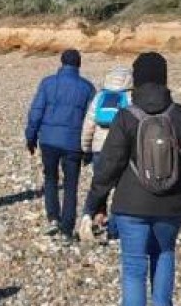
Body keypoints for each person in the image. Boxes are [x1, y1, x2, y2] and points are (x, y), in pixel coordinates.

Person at [85, 52, 181, 306]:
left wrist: (96, 202)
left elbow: (109, 165)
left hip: (131, 204)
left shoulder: (127, 115)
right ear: (164, 78)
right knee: (164, 254)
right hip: (171, 204)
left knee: (133, 267)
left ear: (136, 80)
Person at [25, 49, 97, 242]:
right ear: (79, 65)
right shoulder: (87, 87)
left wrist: (30, 137)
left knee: (50, 178)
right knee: (71, 185)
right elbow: (91, 120)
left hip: (48, 140)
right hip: (74, 143)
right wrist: (88, 148)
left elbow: (36, 111)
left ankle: (53, 218)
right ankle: (66, 228)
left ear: (61, 62)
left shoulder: (47, 83)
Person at [79, 65, 132, 241]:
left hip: (99, 149)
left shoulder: (100, 97)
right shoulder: (130, 98)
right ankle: (114, 229)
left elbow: (89, 124)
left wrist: (85, 147)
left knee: (99, 185)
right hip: (122, 150)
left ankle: (90, 216)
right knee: (121, 189)